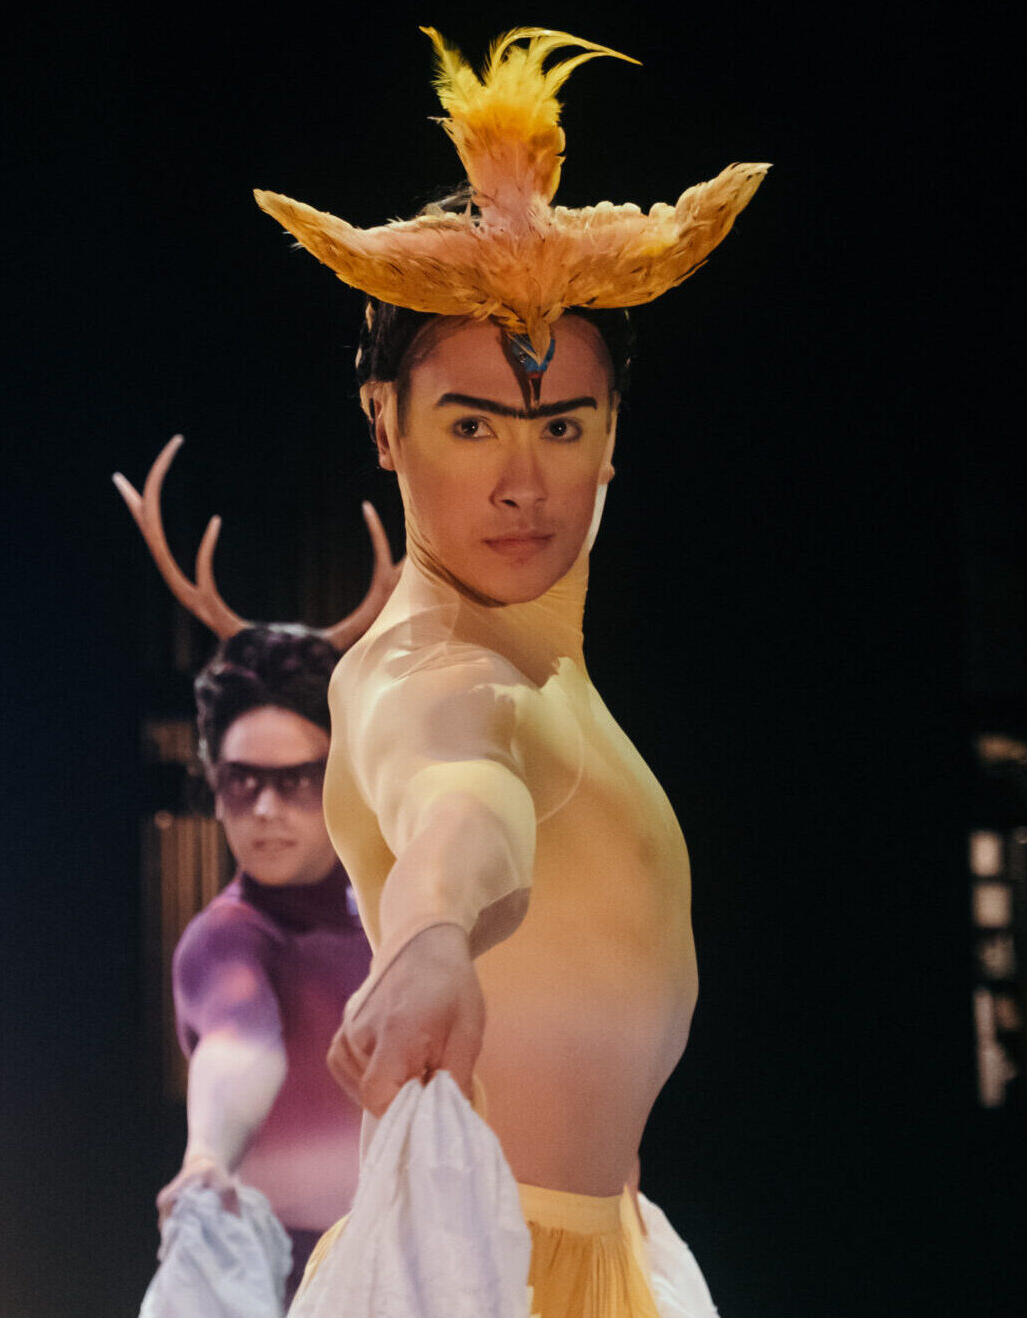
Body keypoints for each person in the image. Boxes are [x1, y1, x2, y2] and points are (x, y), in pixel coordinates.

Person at [249, 25, 765, 1315]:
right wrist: (428, 934)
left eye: (560, 426)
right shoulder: (432, 670)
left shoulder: (542, 670)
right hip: (484, 1275)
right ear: (385, 424)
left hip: (601, 1255)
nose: (521, 481)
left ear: (610, 440)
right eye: (470, 425)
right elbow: (456, 794)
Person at [114, 436, 395, 1302]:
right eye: (242, 783)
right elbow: (240, 1040)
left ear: (339, 781)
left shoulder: (398, 915)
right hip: (273, 1282)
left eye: (296, 783)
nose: (265, 809)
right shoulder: (228, 938)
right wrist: (206, 1154)